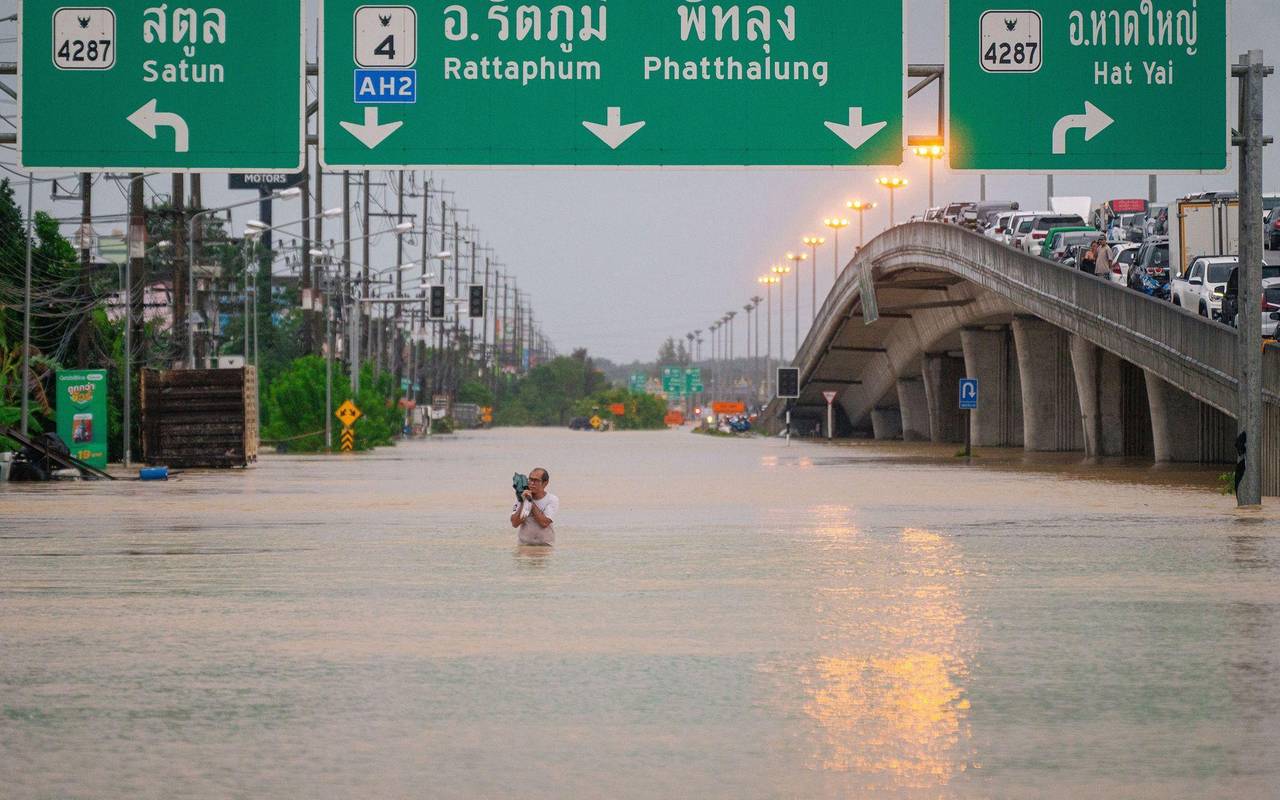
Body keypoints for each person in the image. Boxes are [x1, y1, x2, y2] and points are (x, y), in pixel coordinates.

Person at [509, 467, 557, 545]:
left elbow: (544, 523)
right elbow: (515, 523)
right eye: (530, 479)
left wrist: (530, 501)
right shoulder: (521, 497)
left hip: (545, 545)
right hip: (524, 545)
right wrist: (522, 501)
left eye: (536, 480)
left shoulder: (551, 499)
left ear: (545, 483)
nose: (532, 483)